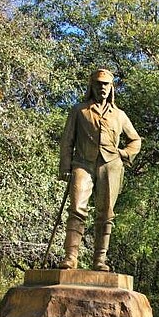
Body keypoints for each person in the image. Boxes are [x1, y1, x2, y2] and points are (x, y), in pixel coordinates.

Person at [58, 68, 141, 271]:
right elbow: (67, 140)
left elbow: (136, 140)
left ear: (111, 87)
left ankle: (100, 260)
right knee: (77, 209)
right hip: (83, 164)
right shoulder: (79, 110)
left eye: (106, 84)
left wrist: (124, 153)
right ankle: (70, 257)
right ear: (92, 86)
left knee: (106, 213)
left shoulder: (119, 115)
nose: (102, 87)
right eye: (98, 83)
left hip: (110, 166)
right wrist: (65, 165)